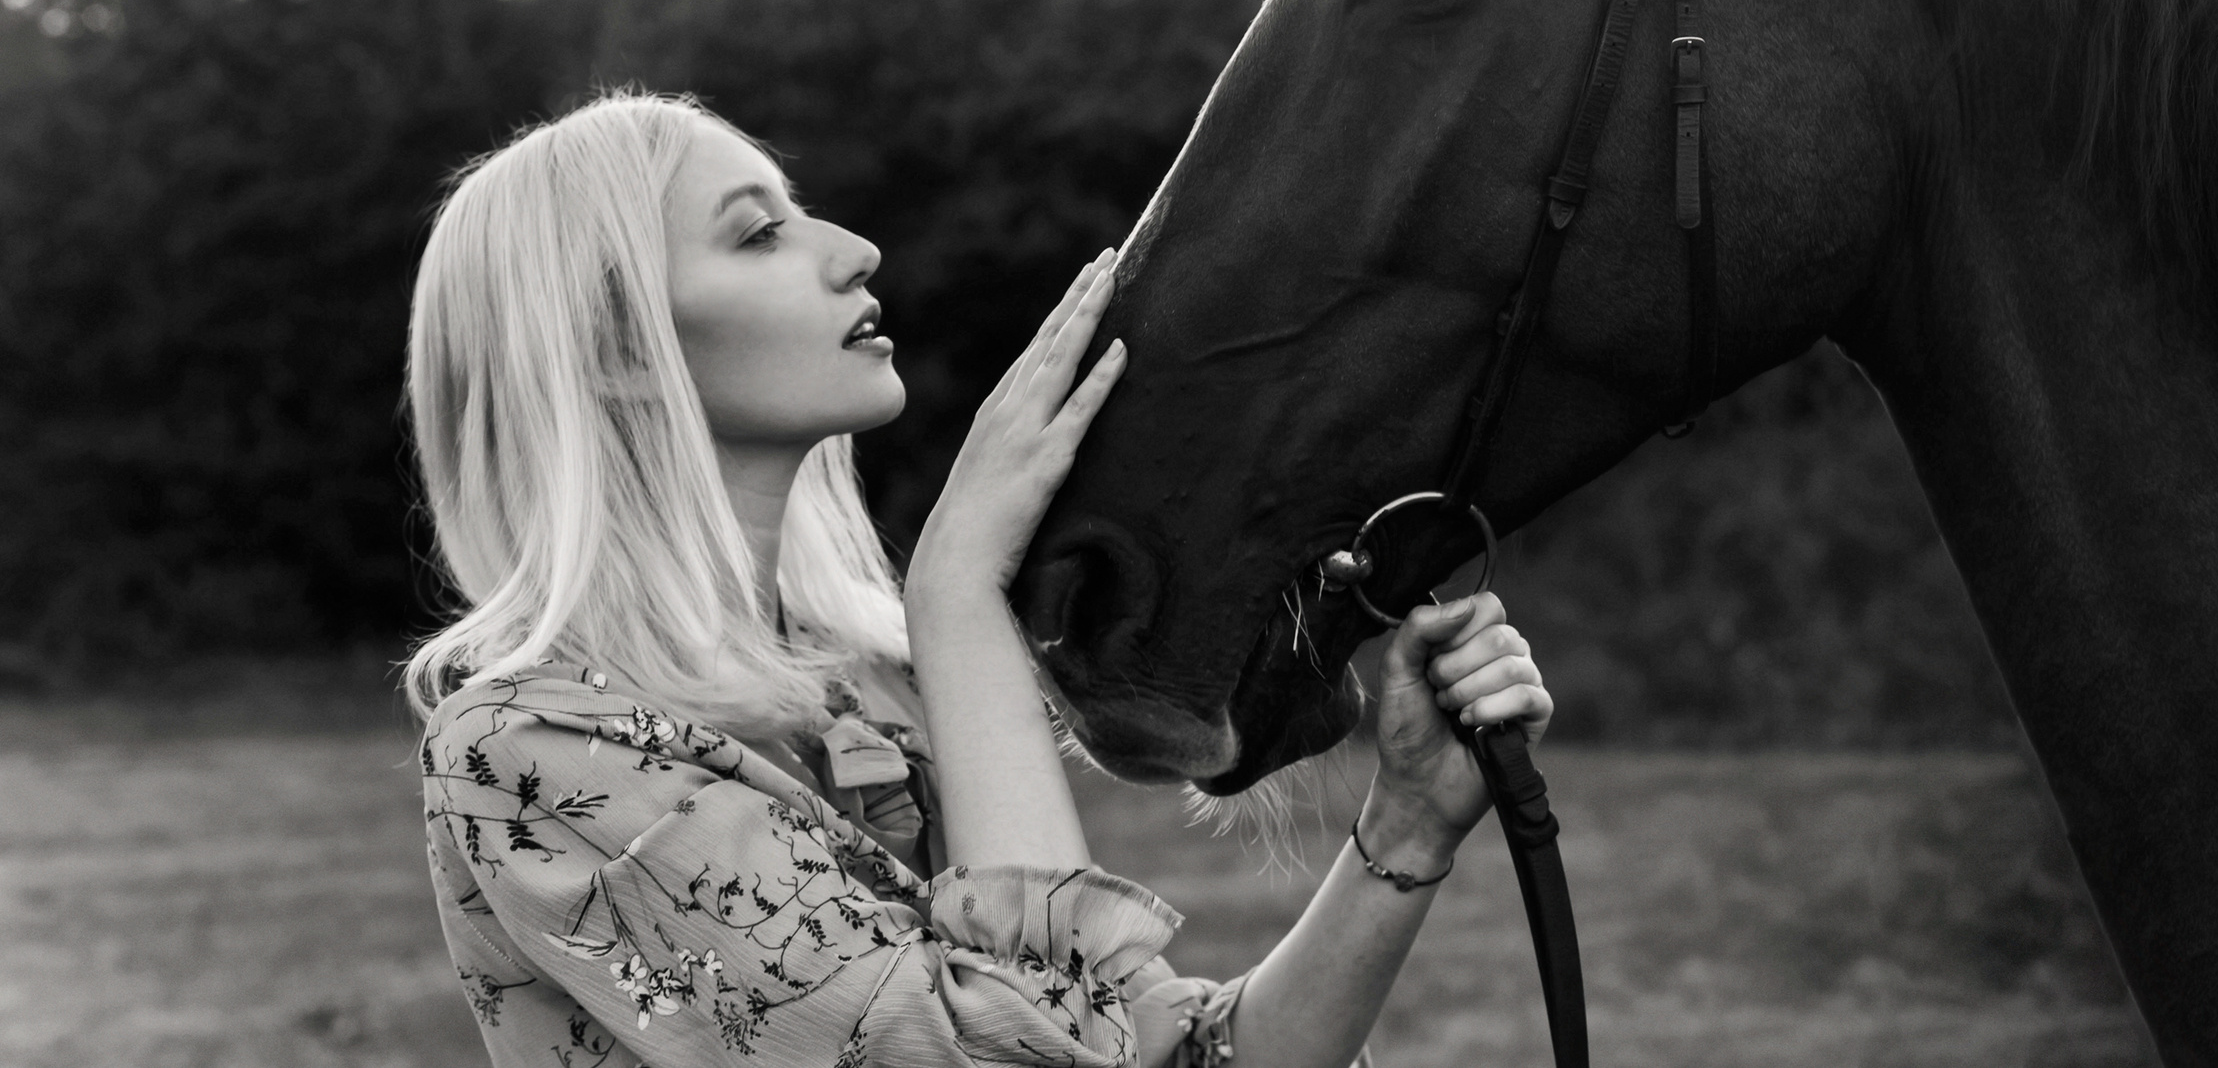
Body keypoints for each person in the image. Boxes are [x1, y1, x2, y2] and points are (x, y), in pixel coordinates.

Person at [403, 92, 1554, 1067]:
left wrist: (1403, 825)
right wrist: (957, 587)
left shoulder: (869, 687)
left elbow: (1161, 1052)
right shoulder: (531, 749)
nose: (851, 247)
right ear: (608, 353)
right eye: (758, 234)